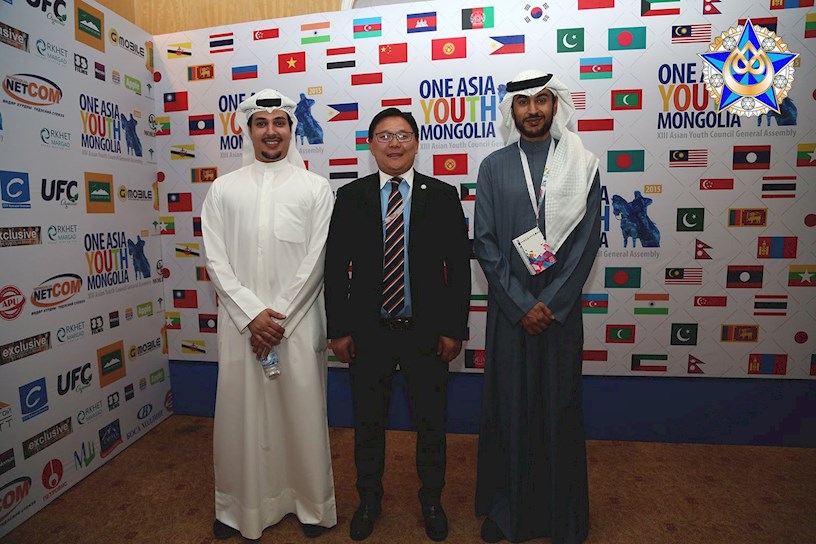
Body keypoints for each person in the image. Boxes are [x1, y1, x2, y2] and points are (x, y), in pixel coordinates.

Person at [324, 108, 471, 542]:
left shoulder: (442, 195)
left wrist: (454, 329)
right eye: (384, 136)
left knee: (431, 425)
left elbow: (458, 269)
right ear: (371, 145)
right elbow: (336, 268)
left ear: (416, 143)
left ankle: (432, 499)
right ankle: (369, 500)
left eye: (403, 135)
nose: (394, 143)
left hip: (427, 333)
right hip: (368, 334)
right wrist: (338, 330)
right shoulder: (351, 196)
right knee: (368, 425)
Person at [201, 89, 337, 540]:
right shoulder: (223, 189)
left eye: (280, 122)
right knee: (240, 417)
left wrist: (275, 320)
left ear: (291, 129)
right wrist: (251, 316)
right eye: (262, 123)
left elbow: (317, 259)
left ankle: (311, 506)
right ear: (248, 130)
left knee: (300, 415)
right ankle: (237, 509)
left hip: (295, 325)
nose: (271, 131)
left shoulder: (315, 188)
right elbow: (215, 259)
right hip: (241, 326)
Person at [473, 69, 601, 544]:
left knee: (559, 408)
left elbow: (587, 242)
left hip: (559, 315)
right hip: (511, 314)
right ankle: (508, 512)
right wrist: (521, 304)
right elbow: (485, 243)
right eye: (523, 102)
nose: (533, 109)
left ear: (555, 105)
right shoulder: (494, 166)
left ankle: (562, 517)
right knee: (510, 408)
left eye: (542, 100)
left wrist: (550, 302)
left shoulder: (583, 164)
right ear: (512, 110)